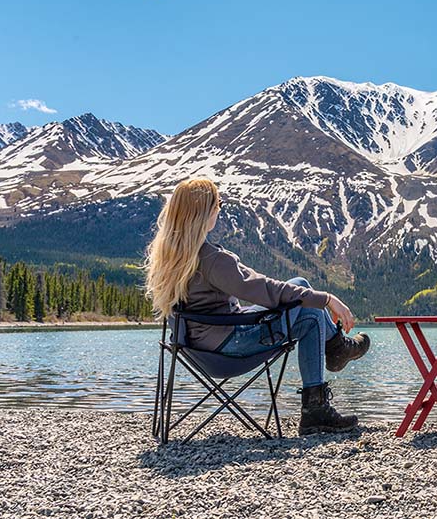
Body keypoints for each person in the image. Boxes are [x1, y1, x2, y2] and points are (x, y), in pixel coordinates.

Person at [144, 178, 370, 435]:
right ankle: (320, 395)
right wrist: (327, 299)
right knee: (311, 314)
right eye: (217, 204)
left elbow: (259, 285)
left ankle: (334, 356)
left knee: (300, 285)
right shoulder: (212, 259)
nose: (219, 209)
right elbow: (265, 290)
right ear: (205, 212)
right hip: (228, 350)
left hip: (195, 349)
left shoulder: (170, 257)